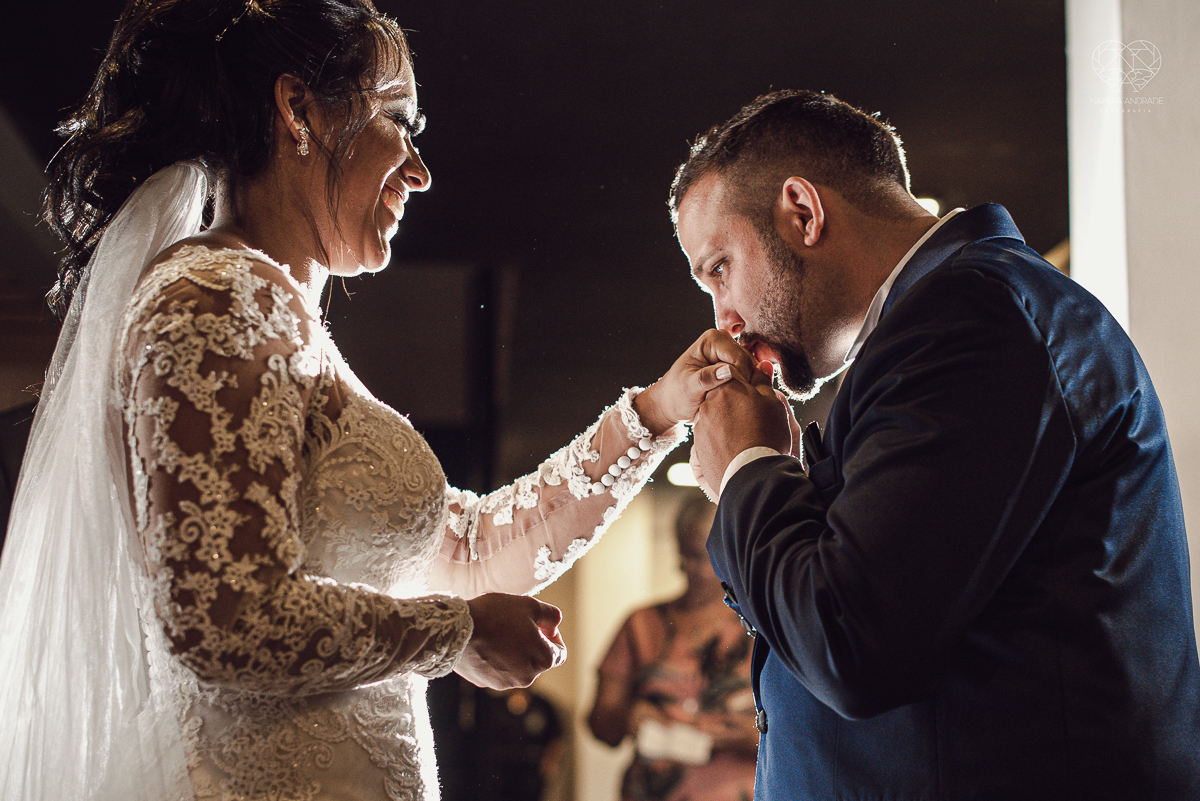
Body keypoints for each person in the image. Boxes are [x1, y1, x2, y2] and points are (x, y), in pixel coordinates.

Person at [0, 2, 757, 800]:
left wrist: (658, 412)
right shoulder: (215, 297)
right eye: (400, 120)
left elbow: (468, 550)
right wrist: (457, 633)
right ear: (298, 110)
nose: (420, 170)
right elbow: (225, 619)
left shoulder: (274, 315)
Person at [673, 89, 1200, 799]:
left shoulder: (973, 318)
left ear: (802, 212)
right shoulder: (947, 326)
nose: (724, 319)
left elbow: (850, 642)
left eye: (719, 268)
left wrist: (748, 470)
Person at [588, 494, 757, 801]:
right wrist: (629, 716)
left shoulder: (761, 628)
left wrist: (750, 736)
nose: (700, 571)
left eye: (711, 559)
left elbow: (804, 733)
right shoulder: (643, 624)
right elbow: (600, 724)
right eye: (691, 555)